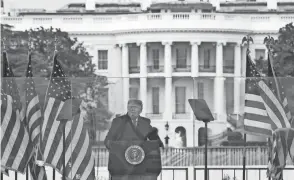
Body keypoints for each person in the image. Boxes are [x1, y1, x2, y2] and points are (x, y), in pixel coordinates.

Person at [104, 99, 163, 180]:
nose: (132, 109)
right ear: (127, 108)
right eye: (130, 107)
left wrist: (158, 144)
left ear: (141, 110)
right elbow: (108, 141)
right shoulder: (118, 121)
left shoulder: (145, 122)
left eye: (135, 107)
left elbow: (154, 141)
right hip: (122, 166)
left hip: (142, 166)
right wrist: (116, 148)